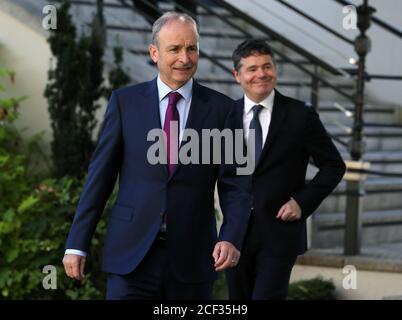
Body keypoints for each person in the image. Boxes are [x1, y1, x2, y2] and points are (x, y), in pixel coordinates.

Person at [63, 12, 251, 300]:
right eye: (174, 49)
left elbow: (236, 186)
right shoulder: (125, 103)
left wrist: (231, 236)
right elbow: (99, 178)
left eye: (192, 48)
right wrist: (77, 243)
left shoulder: (224, 110)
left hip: (193, 259)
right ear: (154, 53)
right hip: (131, 256)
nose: (185, 58)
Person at [226, 39, 346, 300]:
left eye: (267, 66)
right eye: (252, 68)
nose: (261, 74)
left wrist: (301, 203)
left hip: (279, 234)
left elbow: (334, 166)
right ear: (237, 75)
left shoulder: (299, 115)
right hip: (235, 235)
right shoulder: (225, 116)